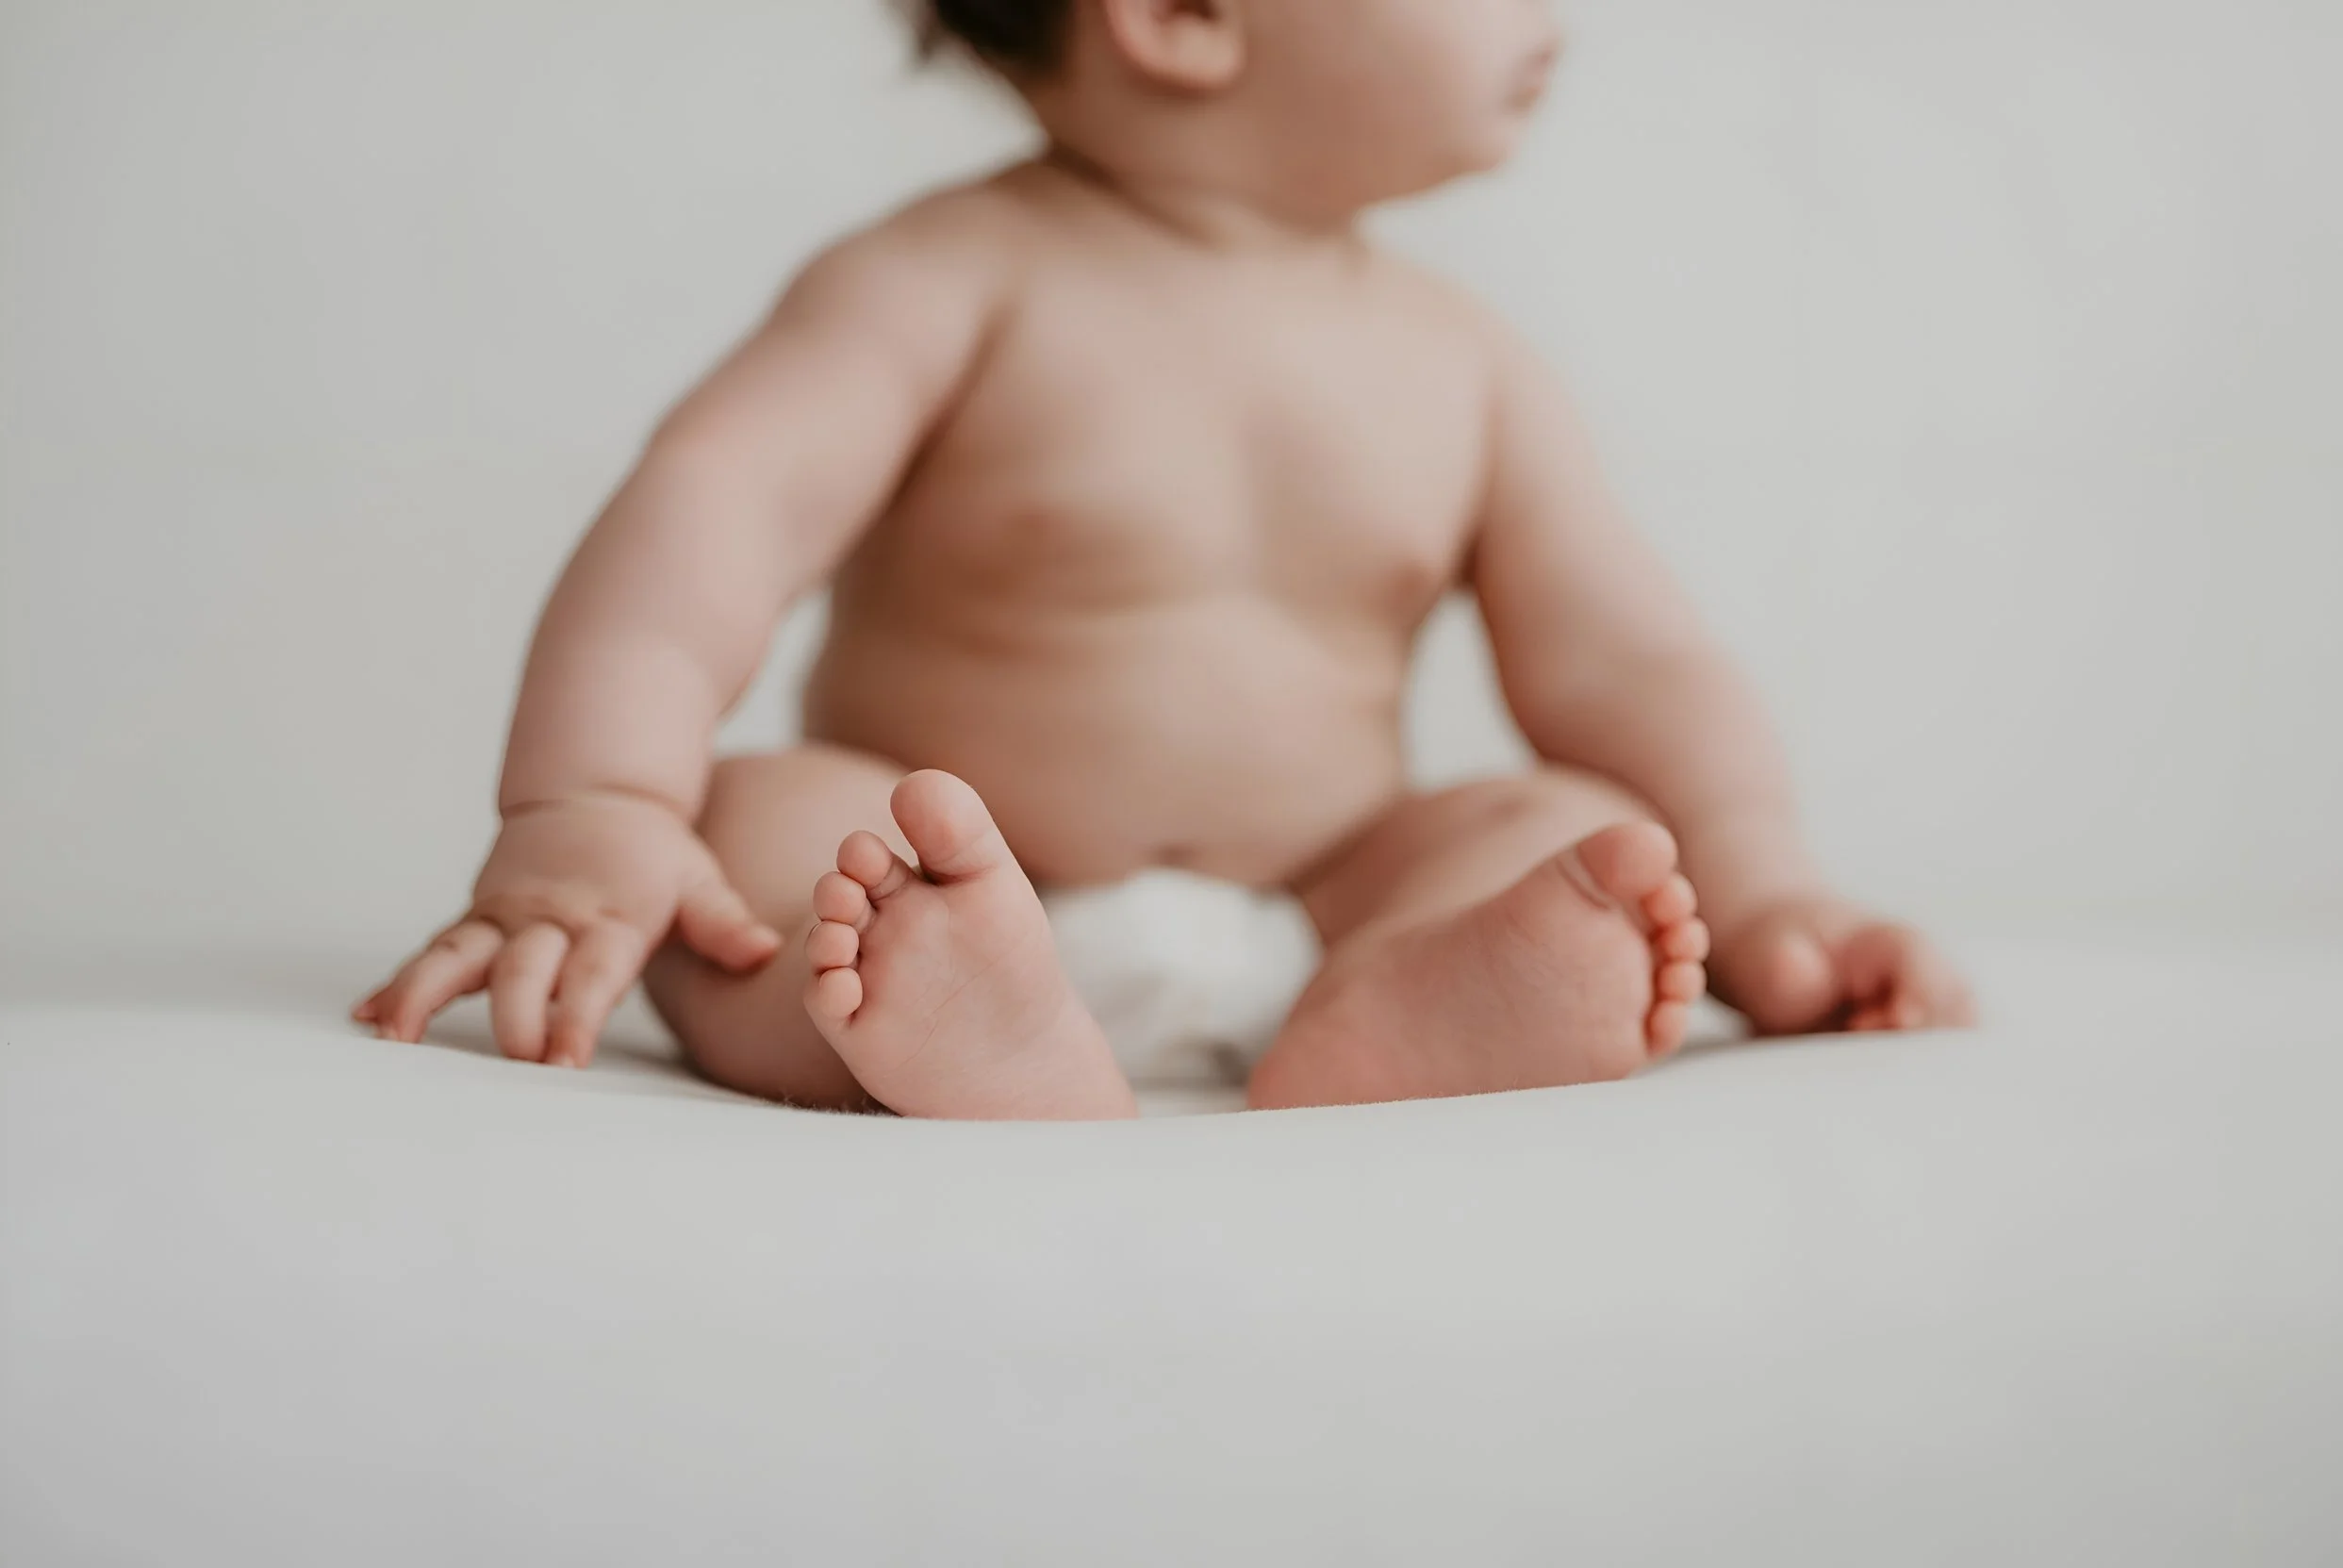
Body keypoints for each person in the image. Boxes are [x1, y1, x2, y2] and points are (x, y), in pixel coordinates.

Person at [356, 0, 1975, 1118]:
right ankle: (948, 1028)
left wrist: (1764, 886)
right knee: (752, 828)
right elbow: (714, 507)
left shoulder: (1466, 360)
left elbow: (1630, 663)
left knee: (1577, 838)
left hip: (1333, 892)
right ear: (1186, 12)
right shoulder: (945, 279)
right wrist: (601, 806)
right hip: (956, 882)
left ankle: (1405, 1014)